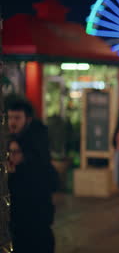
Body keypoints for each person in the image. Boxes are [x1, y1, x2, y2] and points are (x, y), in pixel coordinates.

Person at [7, 99, 57, 253]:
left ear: (27, 119)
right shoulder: (12, 138)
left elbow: (43, 169)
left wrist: (22, 157)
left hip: (35, 210)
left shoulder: (36, 139)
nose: (12, 122)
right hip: (19, 212)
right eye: (10, 118)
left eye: (17, 118)